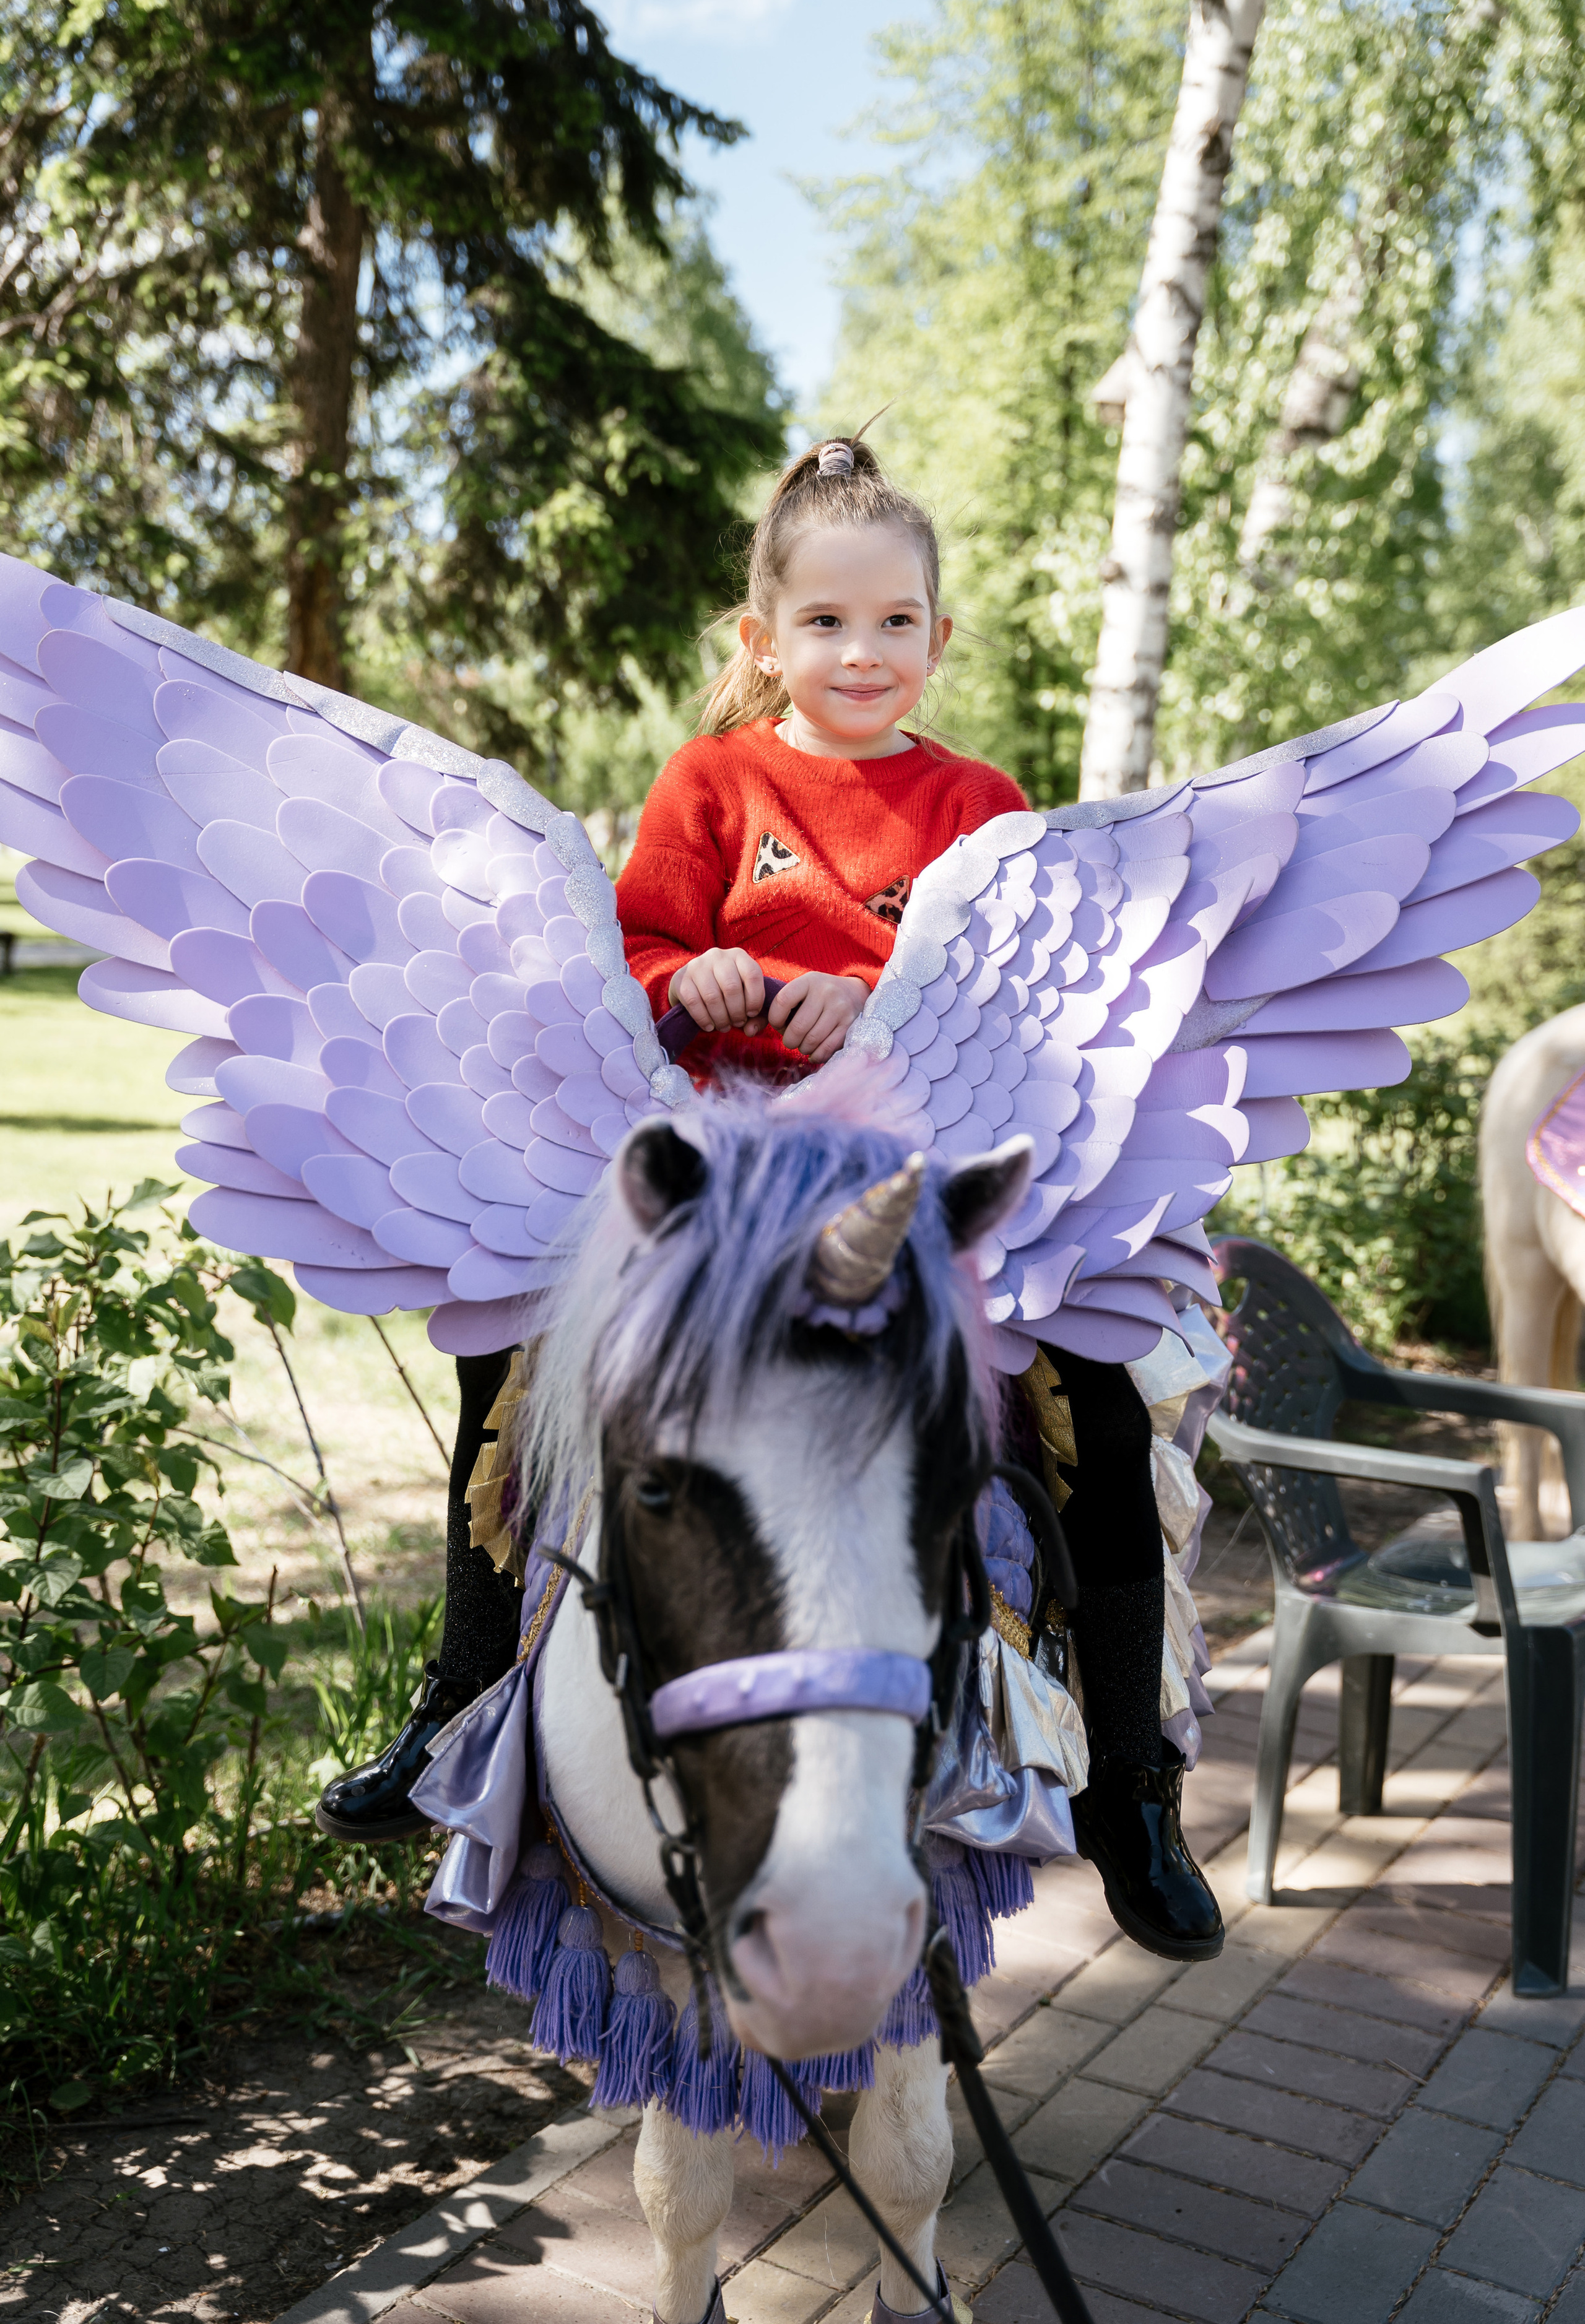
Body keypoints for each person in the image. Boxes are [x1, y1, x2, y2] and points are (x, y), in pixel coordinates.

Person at [315, 433, 1222, 1963]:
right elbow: (633, 968)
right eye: (823, 624)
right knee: (512, 1350)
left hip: (910, 1173)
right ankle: (464, 1705)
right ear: (763, 639)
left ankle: (1133, 1782)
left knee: (1100, 1403)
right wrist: (698, 977)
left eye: (892, 624)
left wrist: (867, 1012)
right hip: (731, 1174)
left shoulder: (978, 801)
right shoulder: (711, 782)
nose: (859, 653)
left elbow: (999, 1003)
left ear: (937, 636)